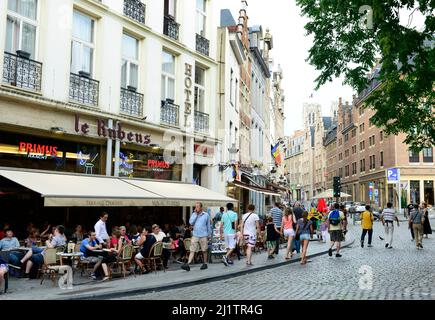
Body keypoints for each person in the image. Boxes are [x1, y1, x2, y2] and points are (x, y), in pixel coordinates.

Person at [181, 202, 212, 272]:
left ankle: (205, 263)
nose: (196, 208)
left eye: (197, 207)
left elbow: (208, 225)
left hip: (204, 235)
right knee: (192, 249)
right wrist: (196, 215)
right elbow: (191, 223)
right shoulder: (194, 214)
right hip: (195, 235)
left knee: (204, 250)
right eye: (195, 207)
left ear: (201, 207)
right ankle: (188, 264)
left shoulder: (206, 215)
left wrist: (209, 235)